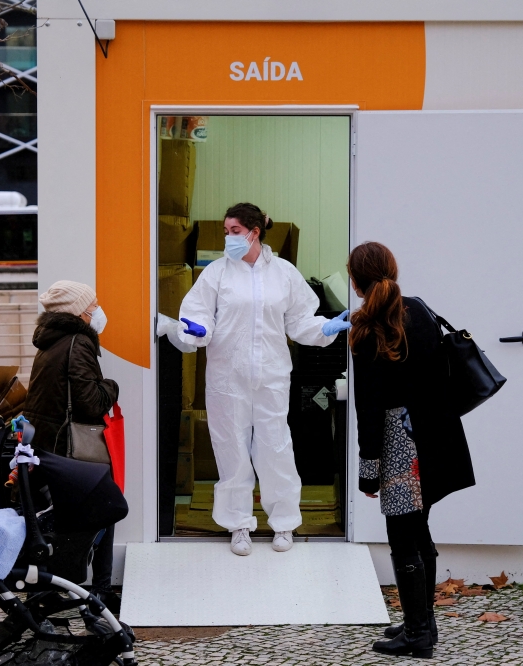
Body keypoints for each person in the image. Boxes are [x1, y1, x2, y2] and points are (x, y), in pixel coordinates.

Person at [173, 202, 351, 556]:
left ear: (254, 232)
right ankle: (239, 525)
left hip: (271, 376)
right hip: (227, 377)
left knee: (276, 448)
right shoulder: (217, 274)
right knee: (232, 450)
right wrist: (194, 330)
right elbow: (198, 317)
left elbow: (301, 321)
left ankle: (284, 523)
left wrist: (325, 328)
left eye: (234, 231)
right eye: (226, 232)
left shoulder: (284, 273)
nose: (228, 238)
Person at [347, 241, 475, 659]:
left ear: (356, 281)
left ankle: (418, 633)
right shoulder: (418, 310)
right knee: (420, 532)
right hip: (438, 438)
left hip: (401, 446)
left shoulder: (365, 330)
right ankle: (425, 623)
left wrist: (369, 471)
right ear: (392, 270)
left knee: (403, 538)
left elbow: (368, 410)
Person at [23, 280, 121, 611]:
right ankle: (99, 591)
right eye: (93, 306)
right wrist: (112, 386)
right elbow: (91, 402)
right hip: (71, 448)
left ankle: (52, 592)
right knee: (102, 509)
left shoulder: (50, 342)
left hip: (49, 445)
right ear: (78, 313)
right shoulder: (78, 342)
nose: (98, 311)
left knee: (61, 523)